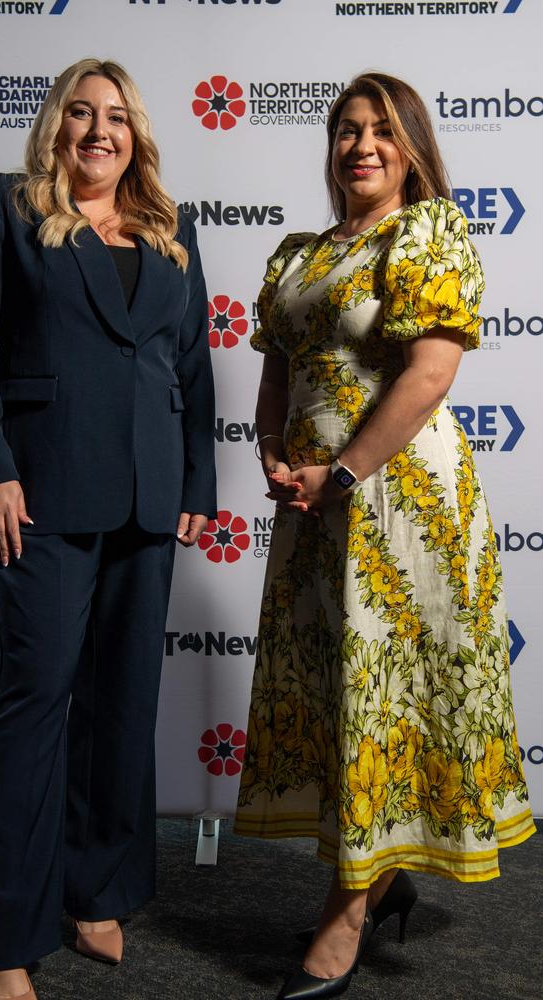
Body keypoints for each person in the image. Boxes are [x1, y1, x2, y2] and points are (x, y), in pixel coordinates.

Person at [233, 72, 535, 1000]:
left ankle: (349, 907)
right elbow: (280, 377)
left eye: (382, 131)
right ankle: (379, 868)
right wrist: (277, 455)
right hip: (314, 505)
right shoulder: (299, 255)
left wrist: (347, 474)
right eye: (347, 130)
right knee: (335, 688)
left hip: (400, 501)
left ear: (411, 149)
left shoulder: (430, 232)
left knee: (384, 691)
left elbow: (431, 373)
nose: (361, 145)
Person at [0, 58, 216, 1000]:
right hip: (41, 495)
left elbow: (192, 369)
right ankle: (2, 942)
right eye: (83, 114)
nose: (101, 131)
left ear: (138, 135)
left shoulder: (172, 235)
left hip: (146, 497)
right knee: (34, 705)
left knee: (124, 704)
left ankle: (97, 890)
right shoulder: (0, 208)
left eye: (119, 117)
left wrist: (197, 481)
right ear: (55, 124)